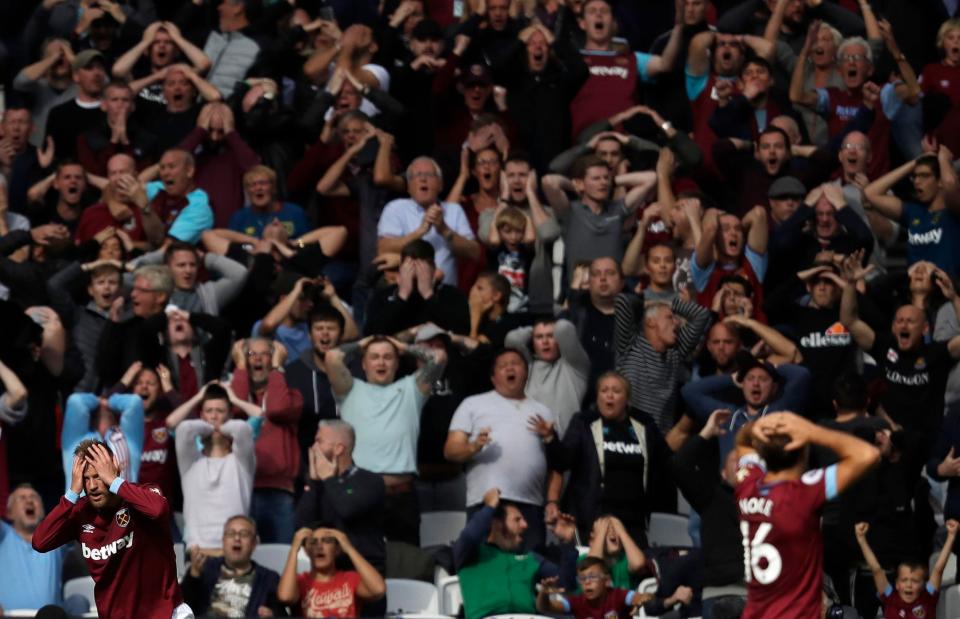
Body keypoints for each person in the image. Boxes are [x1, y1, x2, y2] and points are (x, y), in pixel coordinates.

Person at [735, 412, 880, 618]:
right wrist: (811, 431)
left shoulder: (747, 485)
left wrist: (755, 427)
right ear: (803, 453)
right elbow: (868, 455)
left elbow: (742, 443)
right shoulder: (803, 493)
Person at [32, 440, 190, 618]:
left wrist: (114, 482)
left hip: (164, 613)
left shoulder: (142, 496)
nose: (92, 486)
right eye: (85, 478)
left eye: (98, 475)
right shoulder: (81, 513)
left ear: (114, 467)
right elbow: (40, 541)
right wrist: (71, 495)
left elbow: (158, 510)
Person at [325, 334, 446, 544]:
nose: (381, 362)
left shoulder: (412, 388)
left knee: (406, 564)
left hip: (402, 496)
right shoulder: (349, 389)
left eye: (388, 357)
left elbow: (439, 357)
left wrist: (404, 346)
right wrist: (361, 343)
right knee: (360, 562)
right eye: (374, 357)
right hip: (360, 494)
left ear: (397, 363)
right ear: (363, 364)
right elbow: (332, 357)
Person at [446, 348, 555, 550]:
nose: (510, 368)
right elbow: (451, 450)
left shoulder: (543, 411)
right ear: (493, 377)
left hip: (531, 504)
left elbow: (556, 464)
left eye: (516, 363)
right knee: (485, 566)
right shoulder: (473, 404)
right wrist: (474, 446)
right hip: (486, 502)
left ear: (527, 372)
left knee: (530, 569)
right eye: (503, 366)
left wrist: (552, 501)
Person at [543, 372, 669, 545]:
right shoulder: (584, 422)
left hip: (633, 521)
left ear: (627, 399)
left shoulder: (644, 425)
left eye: (616, 391)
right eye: (604, 390)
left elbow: (666, 462)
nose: (609, 395)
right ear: (597, 397)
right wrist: (550, 439)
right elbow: (562, 461)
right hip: (591, 520)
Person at [454, 487, 578, 619]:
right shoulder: (471, 554)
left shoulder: (530, 559)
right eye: (517, 520)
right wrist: (490, 506)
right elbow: (469, 536)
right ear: (496, 524)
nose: (525, 525)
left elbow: (566, 583)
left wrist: (567, 542)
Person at [229, 338, 304, 544]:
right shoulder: (232, 391)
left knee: (281, 557)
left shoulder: (292, 396)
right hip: (240, 489)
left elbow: (276, 409)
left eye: (266, 354)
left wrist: (278, 369)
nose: (258, 359)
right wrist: (241, 368)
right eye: (251, 354)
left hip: (279, 492)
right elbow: (235, 408)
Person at [294, 420, 386, 579]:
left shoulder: (370, 481)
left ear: (339, 448)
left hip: (363, 574)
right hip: (327, 575)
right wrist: (314, 483)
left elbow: (347, 510)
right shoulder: (318, 484)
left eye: (319, 441)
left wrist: (329, 478)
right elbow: (303, 526)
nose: (313, 448)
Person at [174, 383, 258, 552]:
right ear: (201, 416)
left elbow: (243, 430)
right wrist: (209, 425)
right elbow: (183, 429)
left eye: (220, 411)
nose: (214, 416)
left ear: (230, 416)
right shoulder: (191, 462)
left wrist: (222, 423)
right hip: (198, 550)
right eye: (209, 411)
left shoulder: (241, 462)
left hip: (234, 550)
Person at [613, 291, 711, 435]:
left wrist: (673, 306)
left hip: (660, 439)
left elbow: (702, 315)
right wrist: (651, 304)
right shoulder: (630, 343)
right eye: (670, 317)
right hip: (628, 436)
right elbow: (621, 300)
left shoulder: (676, 351)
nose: (676, 323)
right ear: (650, 321)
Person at [377, 156, 480, 286]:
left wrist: (444, 229)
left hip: (444, 295)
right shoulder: (396, 207)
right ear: (408, 187)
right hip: (407, 294)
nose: (423, 179)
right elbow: (383, 249)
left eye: (429, 174)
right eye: (417, 175)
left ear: (440, 185)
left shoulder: (454, 210)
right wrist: (420, 232)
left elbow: (474, 252)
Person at [0, 485, 84, 613]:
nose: (29, 501)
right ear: (9, 513)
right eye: (21, 498)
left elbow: (78, 516)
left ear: (43, 511)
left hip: (49, 617)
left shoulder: (54, 536)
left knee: (79, 602)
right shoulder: (4, 534)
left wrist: (75, 490)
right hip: (9, 616)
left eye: (34, 497)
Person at [181, 514, 285, 618]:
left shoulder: (268, 578)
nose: (237, 538)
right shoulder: (205, 567)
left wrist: (272, 615)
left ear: (254, 543)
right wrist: (194, 574)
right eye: (231, 534)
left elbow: (281, 613)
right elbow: (182, 607)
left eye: (244, 534)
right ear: (223, 541)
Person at [854, 519, 958, 619]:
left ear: (923, 585)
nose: (909, 585)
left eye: (915, 581)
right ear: (897, 584)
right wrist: (861, 540)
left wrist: (951, 536)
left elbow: (938, 570)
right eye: (904, 580)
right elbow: (876, 569)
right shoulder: (890, 597)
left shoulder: (928, 597)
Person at [277, 526, 386, 618]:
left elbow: (378, 590)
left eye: (327, 541)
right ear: (307, 550)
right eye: (313, 542)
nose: (319, 547)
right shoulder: (300, 581)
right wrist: (294, 550)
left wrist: (349, 548)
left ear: (337, 549)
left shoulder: (350, 579)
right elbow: (285, 597)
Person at [505, 317, 590, 434]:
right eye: (539, 337)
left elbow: (564, 328)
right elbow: (512, 339)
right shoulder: (526, 367)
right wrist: (532, 330)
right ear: (532, 341)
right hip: (531, 442)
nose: (545, 341)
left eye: (550, 336)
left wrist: (541, 330)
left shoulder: (575, 366)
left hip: (565, 445)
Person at [61, 391, 145, 493]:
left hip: (123, 507)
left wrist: (109, 402)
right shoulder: (76, 437)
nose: (102, 407)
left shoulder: (128, 437)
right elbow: (76, 401)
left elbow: (134, 402)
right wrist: (98, 400)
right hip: (81, 507)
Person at [536, 556, 651, 619]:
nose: (587, 582)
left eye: (593, 577)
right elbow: (544, 607)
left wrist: (642, 599)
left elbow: (641, 597)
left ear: (606, 580)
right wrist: (543, 593)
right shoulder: (577, 602)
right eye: (582, 578)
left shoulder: (617, 596)